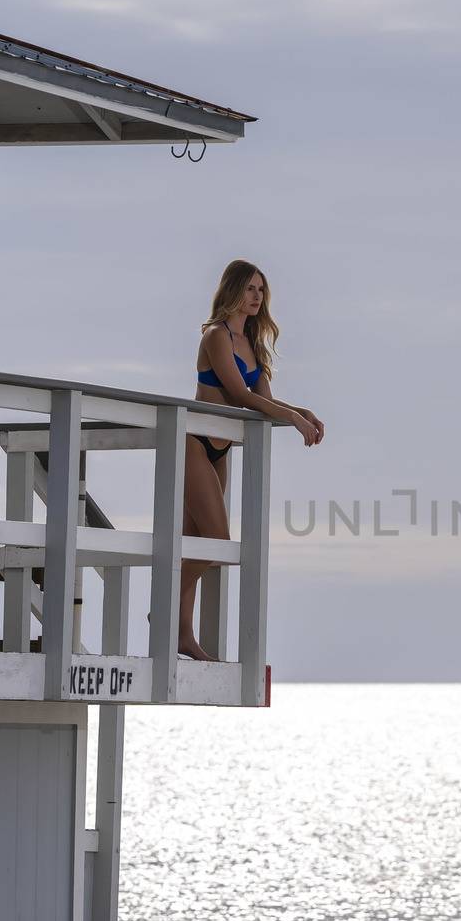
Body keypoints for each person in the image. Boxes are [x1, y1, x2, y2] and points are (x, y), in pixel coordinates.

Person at [181, 259, 324, 660]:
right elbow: (241, 396)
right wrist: (294, 419)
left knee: (195, 542)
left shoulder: (253, 343)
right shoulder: (216, 336)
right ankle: (164, 604)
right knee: (215, 542)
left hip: (221, 446)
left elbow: (266, 399)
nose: (257, 297)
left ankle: (181, 633)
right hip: (194, 441)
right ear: (233, 291)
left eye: (261, 290)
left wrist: (302, 410)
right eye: (249, 289)